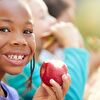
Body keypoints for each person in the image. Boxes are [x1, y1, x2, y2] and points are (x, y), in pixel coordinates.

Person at [4, 0, 89, 100]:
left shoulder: (36, 64)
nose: (53, 20)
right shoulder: (21, 68)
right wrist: (72, 45)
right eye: (42, 16)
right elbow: (70, 97)